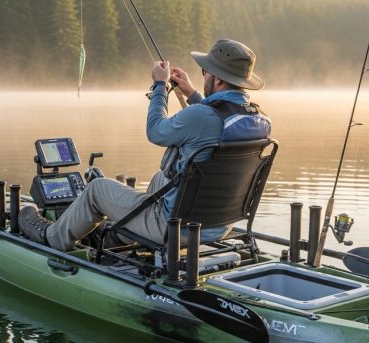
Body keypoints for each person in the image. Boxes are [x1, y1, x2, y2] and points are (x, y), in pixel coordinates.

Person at [19, 39, 272, 251]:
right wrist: (192, 94)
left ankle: (52, 237)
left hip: (176, 227)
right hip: (219, 225)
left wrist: (160, 85)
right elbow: (217, 123)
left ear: (217, 80)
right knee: (161, 179)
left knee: (96, 188)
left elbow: (156, 131)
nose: (203, 75)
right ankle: (121, 236)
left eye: (205, 72)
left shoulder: (201, 117)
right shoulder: (259, 120)